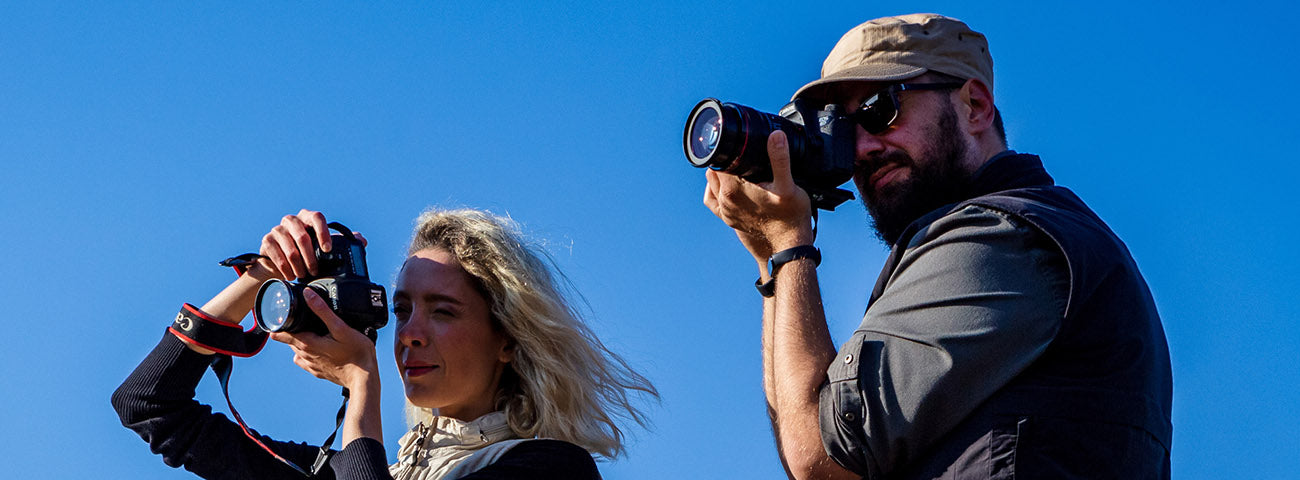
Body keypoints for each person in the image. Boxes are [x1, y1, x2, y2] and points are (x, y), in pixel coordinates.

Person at [702, 13, 1172, 479]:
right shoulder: (1021, 233)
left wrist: (789, 246)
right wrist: (771, 258)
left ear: (975, 106)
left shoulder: (1003, 238)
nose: (862, 149)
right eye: (844, 129)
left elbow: (820, 459)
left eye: (879, 110)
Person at [113, 208, 657, 479]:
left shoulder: (549, 469)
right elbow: (149, 404)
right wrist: (261, 276)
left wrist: (360, 385)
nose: (410, 333)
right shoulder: (362, 468)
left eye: (442, 312)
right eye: (401, 311)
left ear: (508, 340)